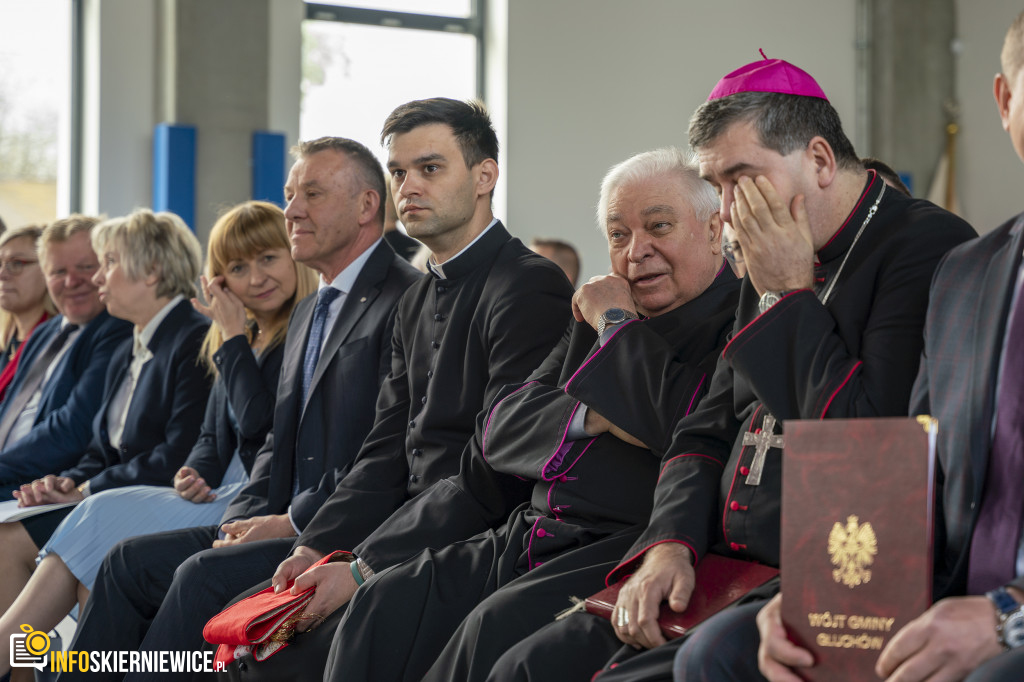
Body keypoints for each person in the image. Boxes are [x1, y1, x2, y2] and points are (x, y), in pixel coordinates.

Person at [492, 55, 976, 682]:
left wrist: (789, 295)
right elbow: (704, 428)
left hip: (825, 574)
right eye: (715, 184)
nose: (726, 210)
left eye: (741, 178)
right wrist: (670, 543)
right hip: (717, 559)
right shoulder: (769, 247)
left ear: (821, 161)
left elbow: (865, 447)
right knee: (527, 665)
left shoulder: (924, 248)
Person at [231, 147, 740, 682]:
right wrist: (600, 414)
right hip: (524, 532)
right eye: (618, 235)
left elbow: (681, 422)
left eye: (658, 226)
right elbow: (500, 429)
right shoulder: (588, 315)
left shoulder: (724, 319)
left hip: (617, 544)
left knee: (486, 639)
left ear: (713, 230)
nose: (636, 252)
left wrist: (616, 324)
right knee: (379, 608)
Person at [59, 137, 420, 682]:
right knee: (126, 561)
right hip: (280, 515)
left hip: (347, 528)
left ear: (367, 206)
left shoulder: (404, 298)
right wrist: (237, 519)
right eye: (289, 194)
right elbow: (277, 439)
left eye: (312, 194)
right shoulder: (310, 310)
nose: (291, 210)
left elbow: (385, 451)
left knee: (199, 574)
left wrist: (290, 520)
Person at [752, 14, 1024, 682]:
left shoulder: (920, 246)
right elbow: (910, 463)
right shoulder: (967, 271)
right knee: (721, 654)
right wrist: (833, 585)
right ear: (1006, 101)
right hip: (939, 588)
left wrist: (1007, 619)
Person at [0, 201, 316, 670]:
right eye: (237, 267)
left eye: (267, 258)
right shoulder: (230, 336)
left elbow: (260, 428)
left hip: (253, 498)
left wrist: (229, 340)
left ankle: (19, 657)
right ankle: (21, 661)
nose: (96, 280)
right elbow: (208, 438)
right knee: (72, 538)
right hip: (215, 489)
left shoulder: (253, 334)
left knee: (85, 523)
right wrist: (197, 470)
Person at [0, 208, 212, 679]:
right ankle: (24, 670)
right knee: (15, 530)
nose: (98, 278)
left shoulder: (192, 338)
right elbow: (101, 448)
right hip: (112, 496)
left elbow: (176, 454)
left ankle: (20, 666)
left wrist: (86, 491)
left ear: (152, 270)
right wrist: (66, 482)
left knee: (11, 540)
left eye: (109, 262)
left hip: (158, 498)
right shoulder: (130, 343)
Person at [0, 215, 131, 498]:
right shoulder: (44, 333)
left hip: (51, 485)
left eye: (85, 267)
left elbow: (73, 429)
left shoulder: (117, 330)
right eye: (58, 272)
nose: (72, 281)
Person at [0, 225, 57, 399]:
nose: (2, 274)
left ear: (48, 270)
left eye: (17, 263)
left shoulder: (57, 343)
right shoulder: (6, 341)